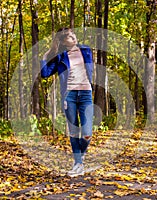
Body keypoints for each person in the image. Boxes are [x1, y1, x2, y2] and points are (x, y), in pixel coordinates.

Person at [40, 27, 94, 177]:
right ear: (63, 41)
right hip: (69, 96)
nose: (73, 37)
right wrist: (45, 57)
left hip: (85, 94)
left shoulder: (86, 50)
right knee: (74, 131)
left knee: (87, 133)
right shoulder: (60, 57)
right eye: (69, 37)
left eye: (73, 35)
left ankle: (80, 157)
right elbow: (45, 74)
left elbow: (90, 70)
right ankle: (78, 164)